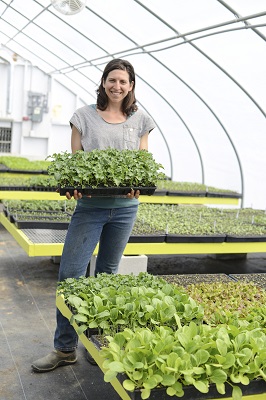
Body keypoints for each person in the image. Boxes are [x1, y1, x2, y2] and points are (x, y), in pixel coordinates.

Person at [31, 59, 156, 372]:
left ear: (131, 86)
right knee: (70, 275)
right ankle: (64, 348)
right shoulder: (83, 116)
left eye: (123, 82)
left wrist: (137, 186)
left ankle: (95, 342)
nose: (117, 86)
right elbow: (77, 163)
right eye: (112, 80)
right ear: (103, 82)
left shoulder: (140, 118)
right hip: (90, 209)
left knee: (107, 276)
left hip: (125, 210)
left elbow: (142, 163)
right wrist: (74, 184)